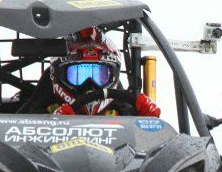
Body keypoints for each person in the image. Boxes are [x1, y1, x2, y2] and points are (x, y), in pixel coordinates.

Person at [21, 27, 160, 117]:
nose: (90, 84)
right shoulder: (43, 105)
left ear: (113, 76)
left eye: (100, 75)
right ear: (57, 75)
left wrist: (147, 122)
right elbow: (20, 127)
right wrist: (50, 123)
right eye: (78, 75)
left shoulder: (122, 109)